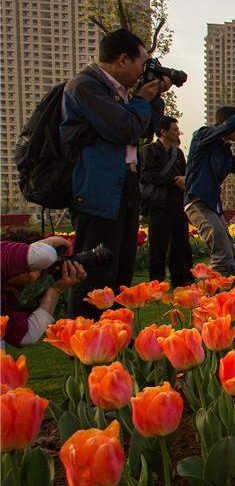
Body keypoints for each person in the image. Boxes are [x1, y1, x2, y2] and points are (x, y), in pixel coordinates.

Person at [60, 28, 170, 318]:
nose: (143, 70)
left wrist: (155, 97)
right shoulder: (86, 86)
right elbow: (125, 128)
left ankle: (115, 331)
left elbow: (145, 130)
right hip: (98, 190)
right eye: (142, 62)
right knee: (95, 270)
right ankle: (86, 335)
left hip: (124, 185)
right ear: (122, 59)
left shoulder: (120, 94)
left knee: (122, 268)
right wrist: (142, 100)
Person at [184, 106, 235, 276]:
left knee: (227, 247)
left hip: (213, 204)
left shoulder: (224, 151)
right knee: (222, 253)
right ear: (229, 123)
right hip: (198, 201)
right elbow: (225, 127)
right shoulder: (203, 136)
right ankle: (218, 296)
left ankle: (224, 293)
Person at [1, 235, 86, 347]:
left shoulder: (6, 298)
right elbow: (43, 256)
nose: (39, 271)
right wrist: (54, 241)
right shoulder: (3, 250)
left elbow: (27, 336)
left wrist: (56, 290)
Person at [140, 116, 193, 287]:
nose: (177, 132)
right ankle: (156, 281)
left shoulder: (177, 153)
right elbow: (147, 176)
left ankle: (180, 278)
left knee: (180, 242)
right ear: (163, 131)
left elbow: (186, 173)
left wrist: (184, 180)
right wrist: (173, 180)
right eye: (174, 129)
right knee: (158, 244)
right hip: (158, 203)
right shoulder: (150, 150)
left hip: (177, 203)